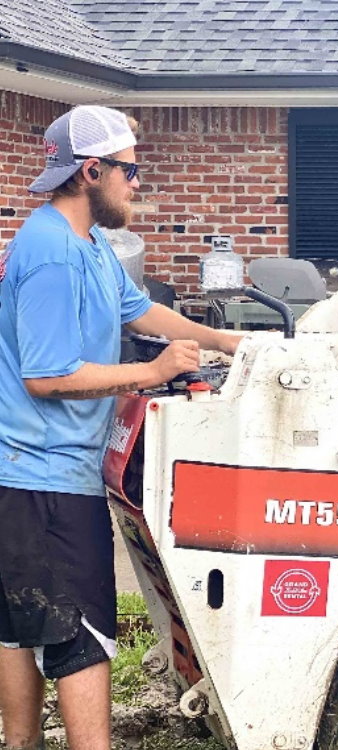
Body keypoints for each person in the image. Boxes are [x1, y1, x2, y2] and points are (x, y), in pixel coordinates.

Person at [0, 105, 241, 750]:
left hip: (40, 472)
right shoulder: (51, 254)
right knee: (81, 636)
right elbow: (45, 377)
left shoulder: (90, 243)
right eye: (130, 171)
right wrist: (148, 374)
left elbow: (140, 313)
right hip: (43, 473)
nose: (138, 184)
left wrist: (226, 340)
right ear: (91, 171)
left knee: (22, 622)